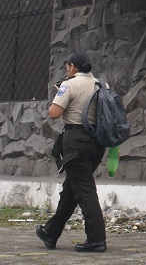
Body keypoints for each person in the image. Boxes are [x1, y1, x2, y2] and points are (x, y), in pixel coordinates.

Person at [36, 52, 107, 253]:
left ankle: (96, 239)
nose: (67, 69)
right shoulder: (101, 85)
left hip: (76, 141)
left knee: (84, 191)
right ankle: (51, 232)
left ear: (73, 67)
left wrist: (61, 93)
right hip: (96, 144)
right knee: (71, 190)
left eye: (67, 66)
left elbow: (54, 113)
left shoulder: (70, 84)